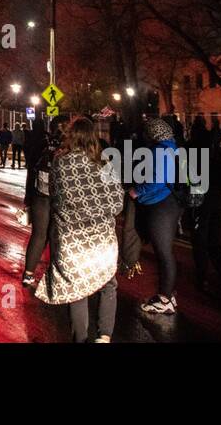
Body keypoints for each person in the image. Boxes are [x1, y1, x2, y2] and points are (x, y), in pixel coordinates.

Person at [35, 116, 123, 342]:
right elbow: (117, 202)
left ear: (71, 136)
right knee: (108, 284)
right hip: (101, 240)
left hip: (72, 241)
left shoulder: (60, 162)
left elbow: (54, 195)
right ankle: (104, 336)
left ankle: (81, 338)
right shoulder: (104, 163)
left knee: (77, 290)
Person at [133, 117, 184, 315]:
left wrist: (137, 191)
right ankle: (168, 295)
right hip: (172, 203)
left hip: (161, 205)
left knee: (163, 253)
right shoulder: (175, 147)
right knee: (165, 252)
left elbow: (156, 180)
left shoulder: (159, 151)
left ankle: (165, 298)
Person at [188, 119, 221, 290]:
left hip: (200, 200)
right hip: (215, 199)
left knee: (200, 242)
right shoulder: (213, 151)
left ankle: (202, 278)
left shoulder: (192, 150)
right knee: (214, 240)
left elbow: (187, 177)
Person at [22, 114, 64, 286]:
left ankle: (28, 274)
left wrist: (28, 197)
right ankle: (55, 276)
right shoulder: (69, 147)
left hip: (40, 193)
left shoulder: (41, 144)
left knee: (39, 235)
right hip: (60, 196)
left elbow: (31, 170)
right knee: (57, 235)